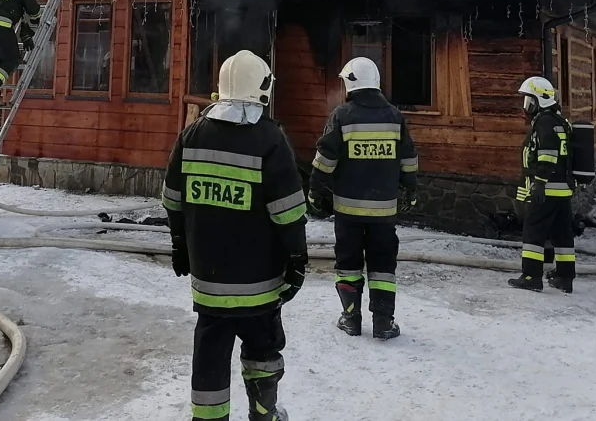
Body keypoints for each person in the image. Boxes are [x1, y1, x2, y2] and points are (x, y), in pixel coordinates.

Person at [163, 50, 306, 421]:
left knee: (209, 354)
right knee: (263, 348)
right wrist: (296, 258)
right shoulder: (270, 139)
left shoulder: (191, 135)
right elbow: (288, 211)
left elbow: (172, 200)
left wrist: (179, 244)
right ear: (260, 87)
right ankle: (263, 413)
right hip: (259, 283)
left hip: (209, 283)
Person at [308, 57, 417, 340]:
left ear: (351, 83)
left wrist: (316, 190)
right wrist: (411, 189)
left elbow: (325, 159)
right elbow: (408, 158)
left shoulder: (342, 116)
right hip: (384, 212)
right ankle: (383, 322)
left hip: (348, 210)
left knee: (348, 263)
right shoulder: (395, 116)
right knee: (383, 266)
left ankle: (350, 319)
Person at [509, 76, 576, 294]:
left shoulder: (544, 122)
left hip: (545, 188)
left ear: (541, 101)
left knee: (533, 233)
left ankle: (531, 276)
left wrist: (539, 182)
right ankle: (565, 278)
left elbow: (548, 153)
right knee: (562, 234)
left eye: (530, 101)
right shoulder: (560, 121)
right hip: (562, 189)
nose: (526, 107)